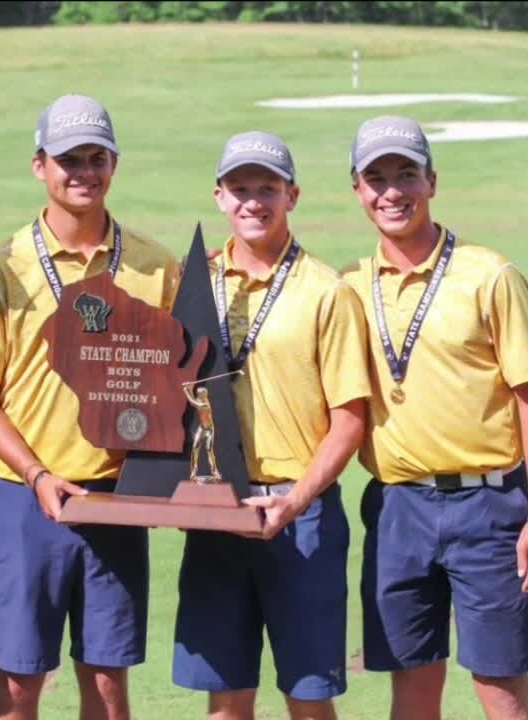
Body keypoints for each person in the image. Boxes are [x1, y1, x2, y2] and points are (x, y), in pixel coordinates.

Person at [0, 94, 180, 720]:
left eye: (96, 157)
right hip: (29, 501)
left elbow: (183, 387)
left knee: (107, 682)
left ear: (114, 163)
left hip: (118, 497)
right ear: (39, 166)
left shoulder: (156, 267)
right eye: (68, 158)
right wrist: (37, 474)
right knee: (20, 682)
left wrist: (167, 482)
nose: (83, 171)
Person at [341, 115, 528, 720]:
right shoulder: (349, 288)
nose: (393, 191)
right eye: (377, 178)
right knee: (411, 688)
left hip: (489, 510)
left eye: (407, 174)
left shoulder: (489, 274)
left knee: (500, 687)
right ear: (358, 190)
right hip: (396, 512)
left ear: (432, 181)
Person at [171, 131, 372, 720]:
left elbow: (349, 420)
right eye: (240, 189)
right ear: (219, 197)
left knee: (308, 697)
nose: (253, 202)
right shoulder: (193, 283)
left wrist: (296, 501)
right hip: (215, 511)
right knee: (226, 698)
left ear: (293, 195)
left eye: (268, 189)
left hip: (300, 515)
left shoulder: (325, 291)